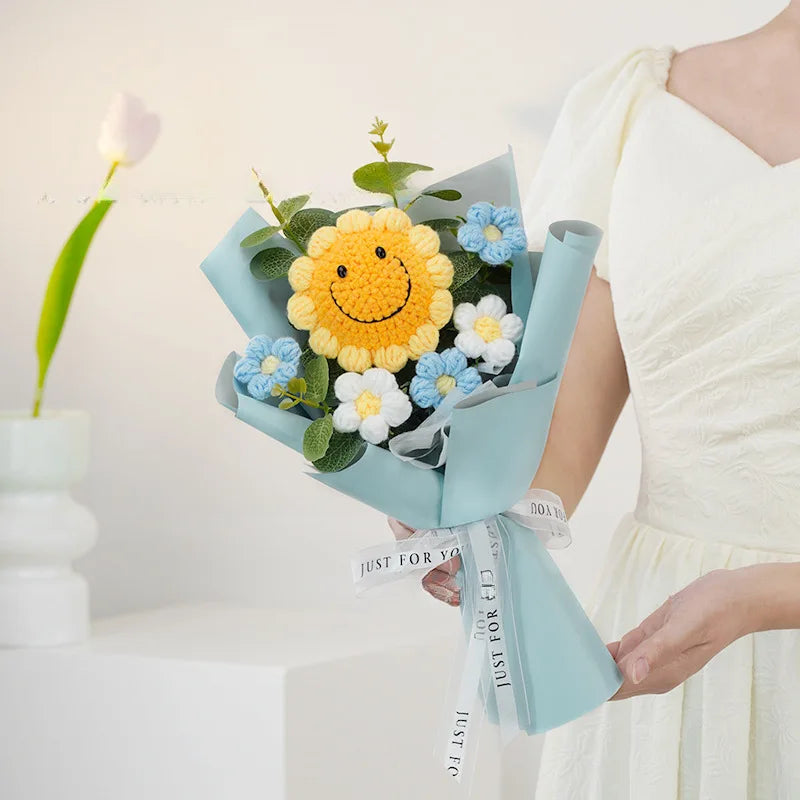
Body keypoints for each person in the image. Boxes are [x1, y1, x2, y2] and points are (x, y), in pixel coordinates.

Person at [390, 4, 800, 796]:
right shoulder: (635, 107)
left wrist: (766, 596)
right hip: (669, 645)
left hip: (699, 620)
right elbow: (562, 442)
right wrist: (462, 510)